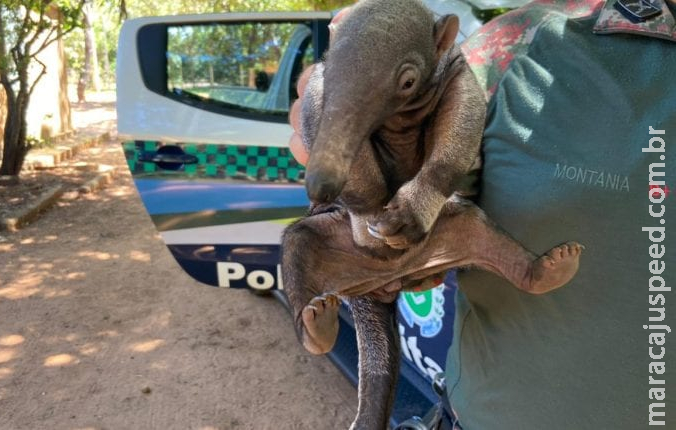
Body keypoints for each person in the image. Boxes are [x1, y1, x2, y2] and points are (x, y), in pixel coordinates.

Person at [288, 0, 675, 428]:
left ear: (441, 43)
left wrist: (422, 199)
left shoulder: (455, 73)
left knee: (469, 227)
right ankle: (314, 334)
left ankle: (527, 270)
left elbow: (446, 158)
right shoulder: (522, 46)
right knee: (303, 244)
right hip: (485, 408)